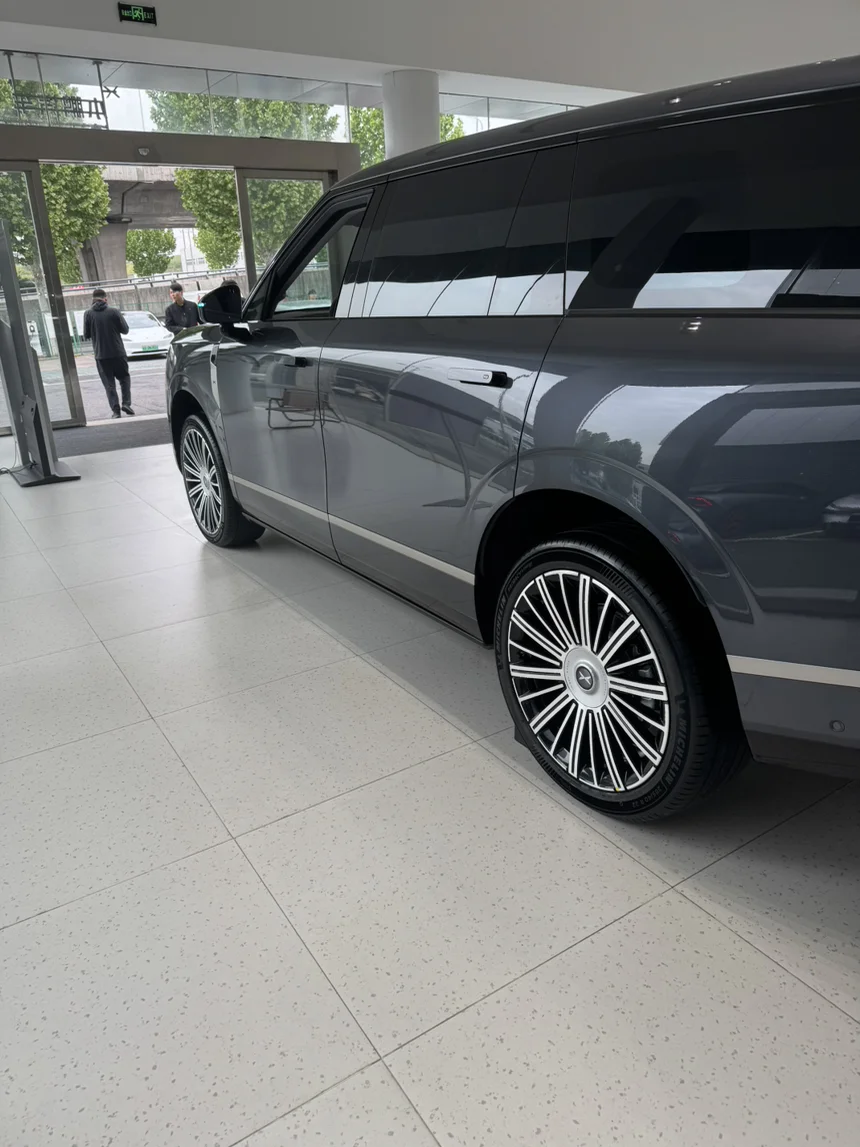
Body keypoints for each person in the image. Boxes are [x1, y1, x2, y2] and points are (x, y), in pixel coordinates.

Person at [83, 288, 134, 418]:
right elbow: (125, 330)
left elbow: (86, 334)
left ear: (93, 300)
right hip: (118, 352)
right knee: (124, 378)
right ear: (105, 299)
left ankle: (115, 411)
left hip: (101, 354)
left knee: (109, 384)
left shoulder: (88, 314)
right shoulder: (114, 311)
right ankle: (126, 403)